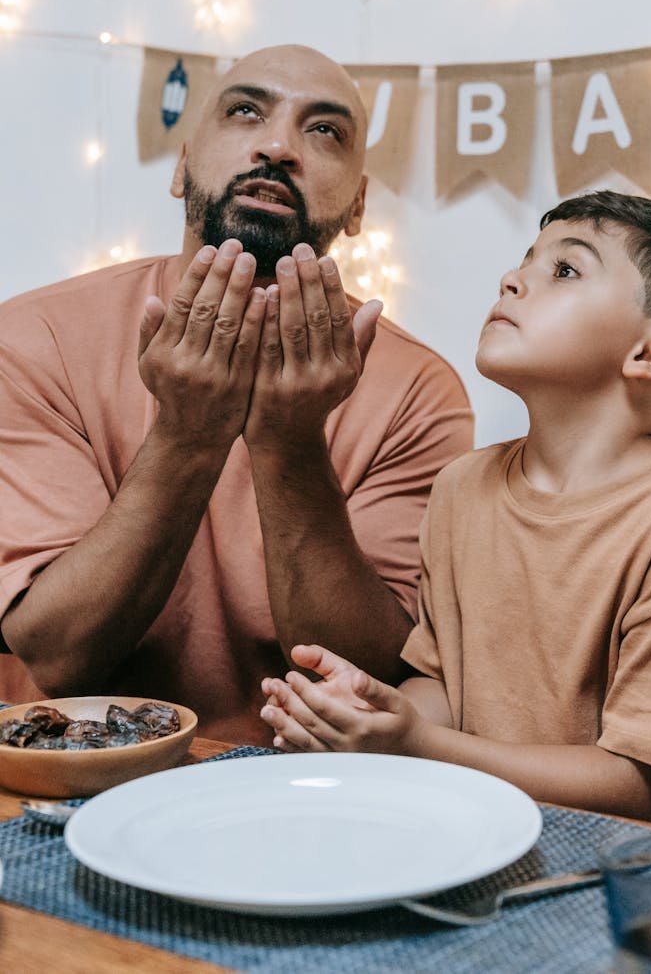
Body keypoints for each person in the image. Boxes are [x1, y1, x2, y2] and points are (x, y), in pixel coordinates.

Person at [0, 44, 472, 742]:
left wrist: (290, 441)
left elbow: (368, 676)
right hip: (63, 780)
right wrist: (188, 434)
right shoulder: (31, 338)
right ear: (182, 165)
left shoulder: (417, 390)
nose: (278, 145)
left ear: (358, 205)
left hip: (302, 783)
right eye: (246, 111)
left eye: (324, 131)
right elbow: (61, 656)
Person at [261, 191, 651, 831]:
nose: (512, 277)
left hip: (639, 885)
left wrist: (419, 746)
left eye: (565, 270)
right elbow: (443, 687)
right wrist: (381, 712)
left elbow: (640, 789)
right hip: (476, 834)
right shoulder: (462, 487)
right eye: (526, 259)